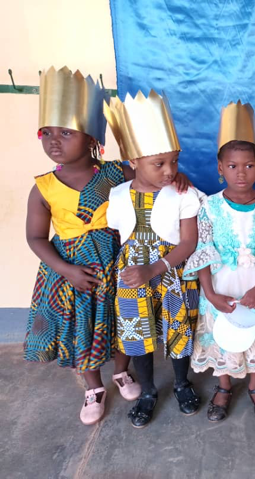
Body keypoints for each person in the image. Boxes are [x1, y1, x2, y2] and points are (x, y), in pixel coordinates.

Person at [24, 66, 141, 425]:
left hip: (116, 264)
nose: (53, 141)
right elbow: (35, 237)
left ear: (91, 138)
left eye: (66, 132)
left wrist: (175, 176)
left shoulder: (117, 173)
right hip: (72, 273)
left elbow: (152, 181)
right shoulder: (43, 187)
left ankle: (121, 371)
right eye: (46, 132)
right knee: (82, 327)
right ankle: (93, 387)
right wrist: (67, 270)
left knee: (122, 319)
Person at [105, 90, 201, 428]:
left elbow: (189, 242)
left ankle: (182, 383)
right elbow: (121, 236)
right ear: (133, 160)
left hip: (173, 272)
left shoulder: (184, 193)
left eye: (174, 161)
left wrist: (155, 267)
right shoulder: (118, 195)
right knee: (137, 334)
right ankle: (148, 391)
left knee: (179, 329)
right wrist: (139, 269)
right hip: (133, 275)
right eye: (158, 164)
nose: (169, 171)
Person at [184, 101, 255, 422]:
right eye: (232, 165)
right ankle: (224, 385)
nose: (241, 172)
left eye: (249, 165)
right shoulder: (209, 207)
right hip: (220, 287)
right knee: (224, 334)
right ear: (220, 168)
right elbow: (203, 251)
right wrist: (210, 293)